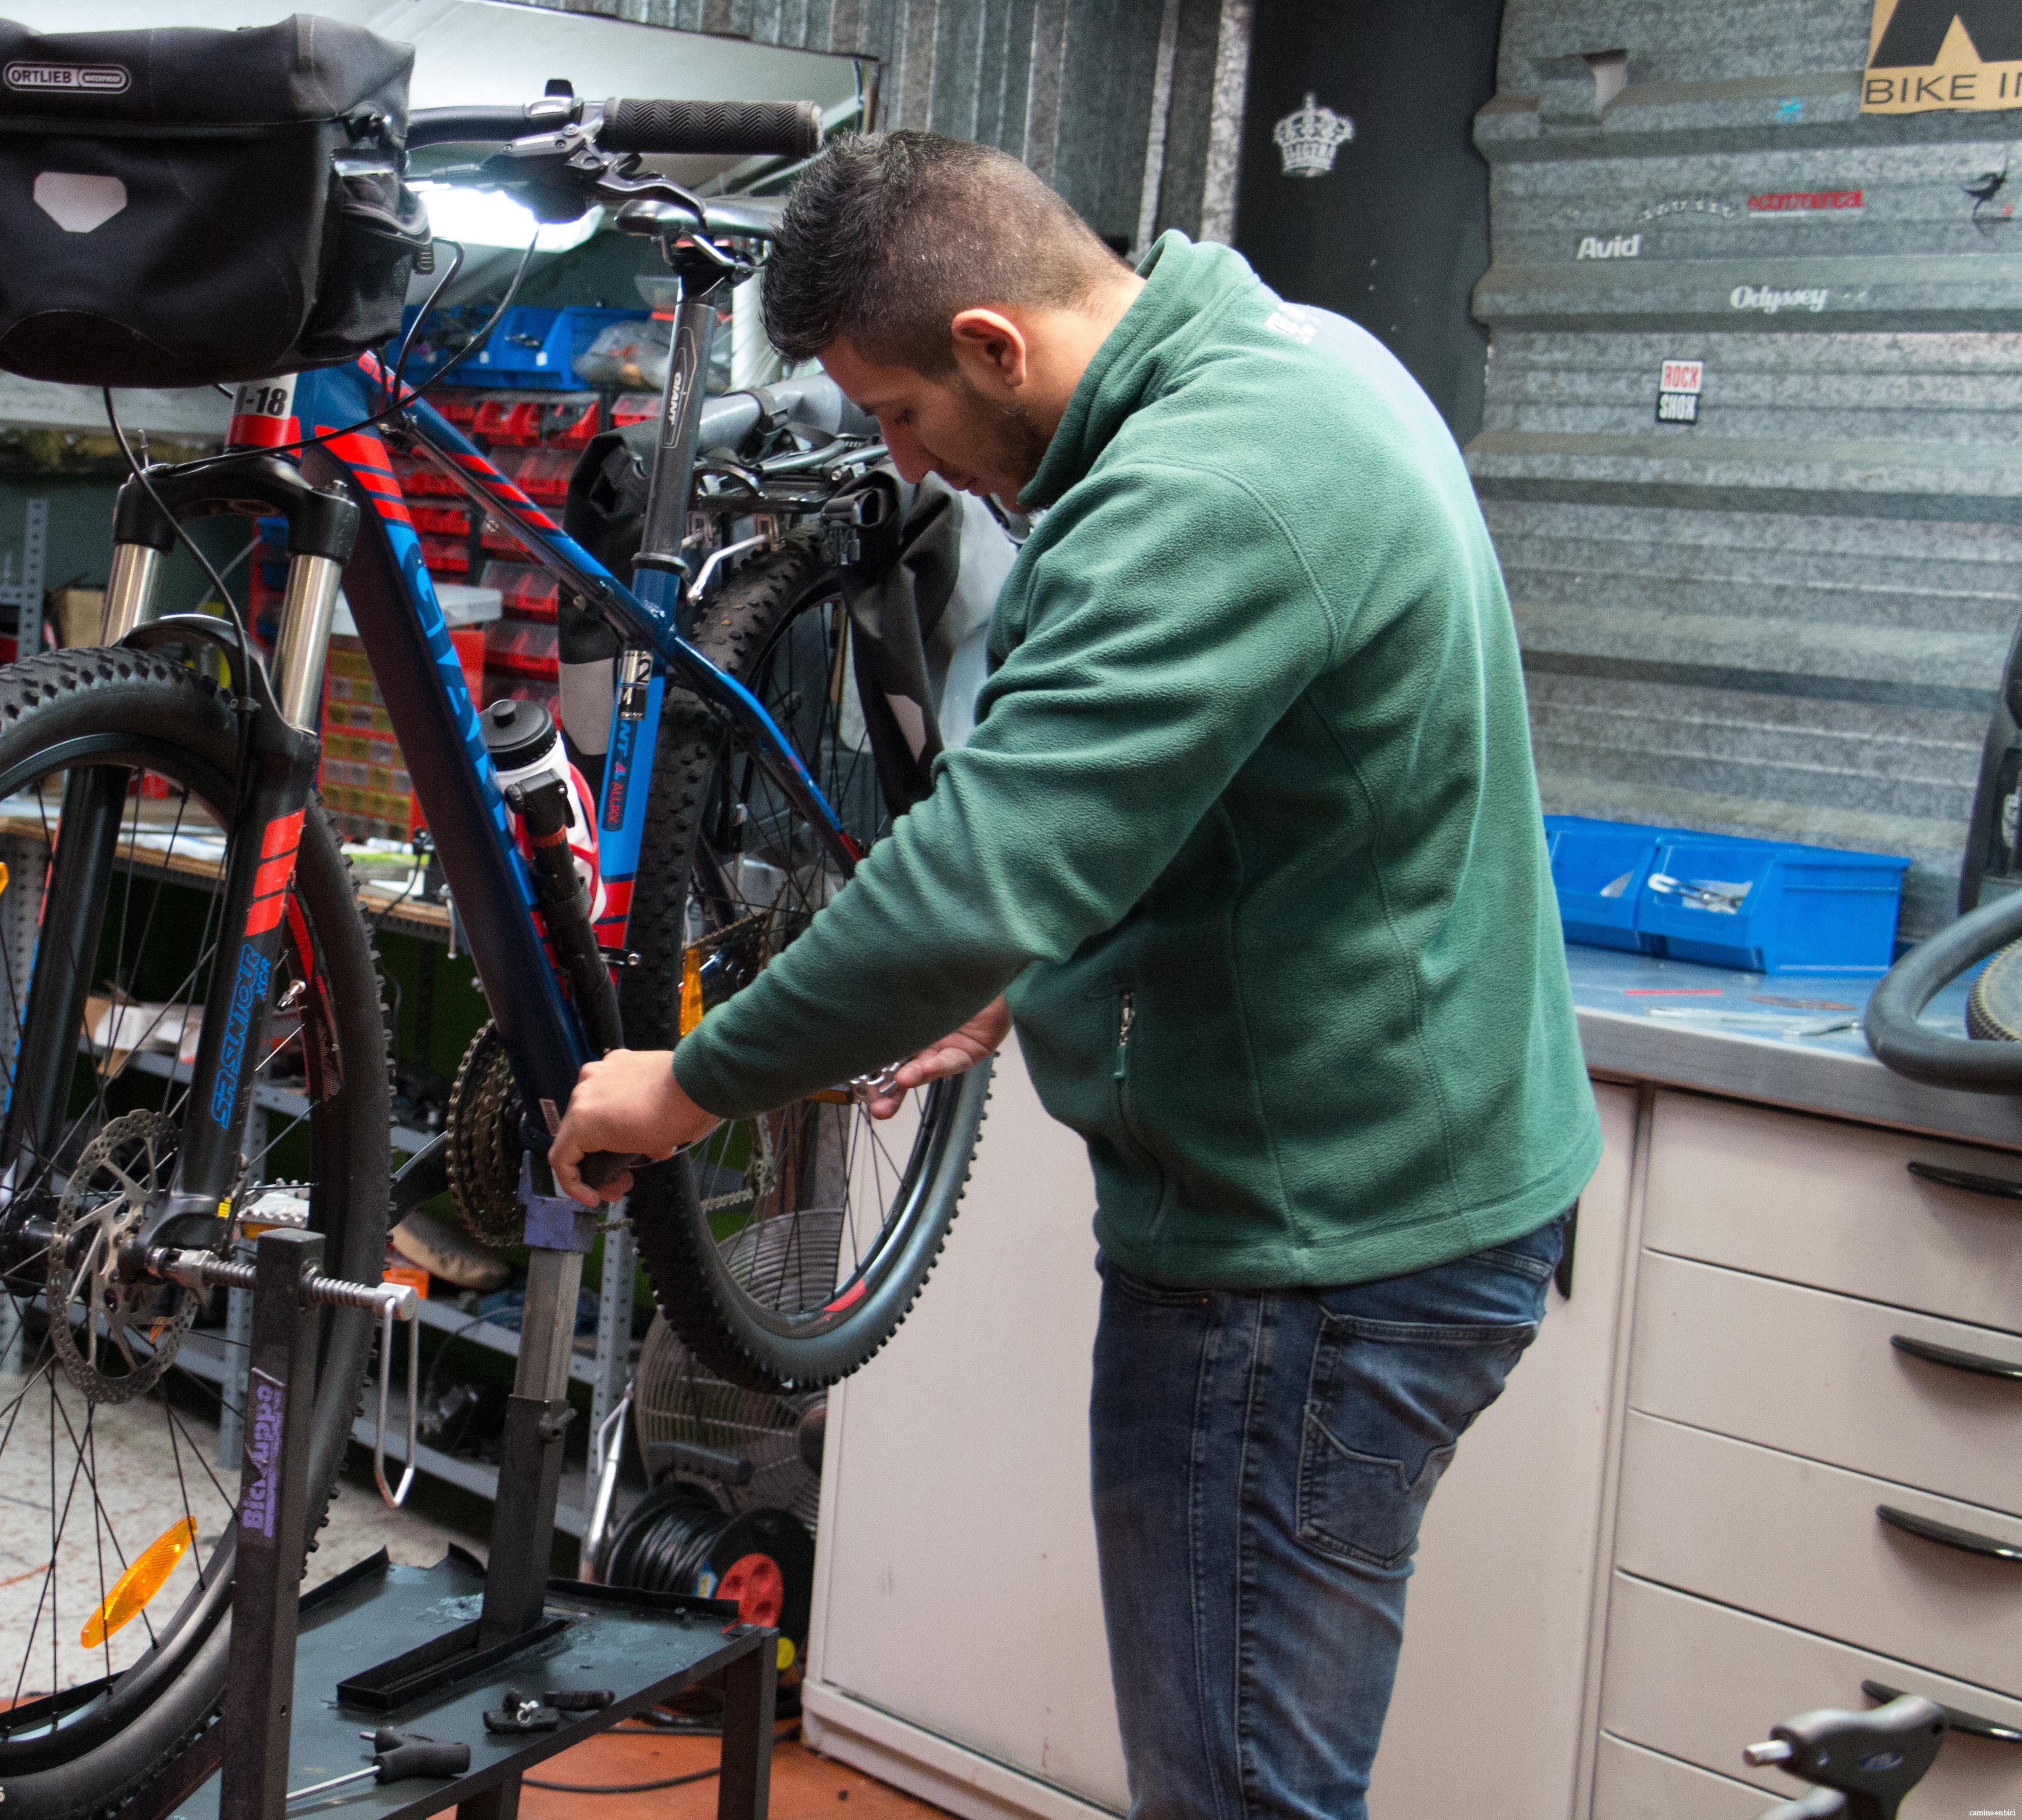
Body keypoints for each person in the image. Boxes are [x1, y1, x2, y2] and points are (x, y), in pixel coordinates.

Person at [547, 132, 1601, 1820]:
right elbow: (1209, 782)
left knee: (1240, 1792)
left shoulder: (1214, 490)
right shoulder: (1292, 358)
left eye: (899, 415)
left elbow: (977, 872)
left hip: (1313, 1259)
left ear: (992, 343)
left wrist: (683, 1087)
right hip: (1406, 1196)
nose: (906, 458)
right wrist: (1015, 970)